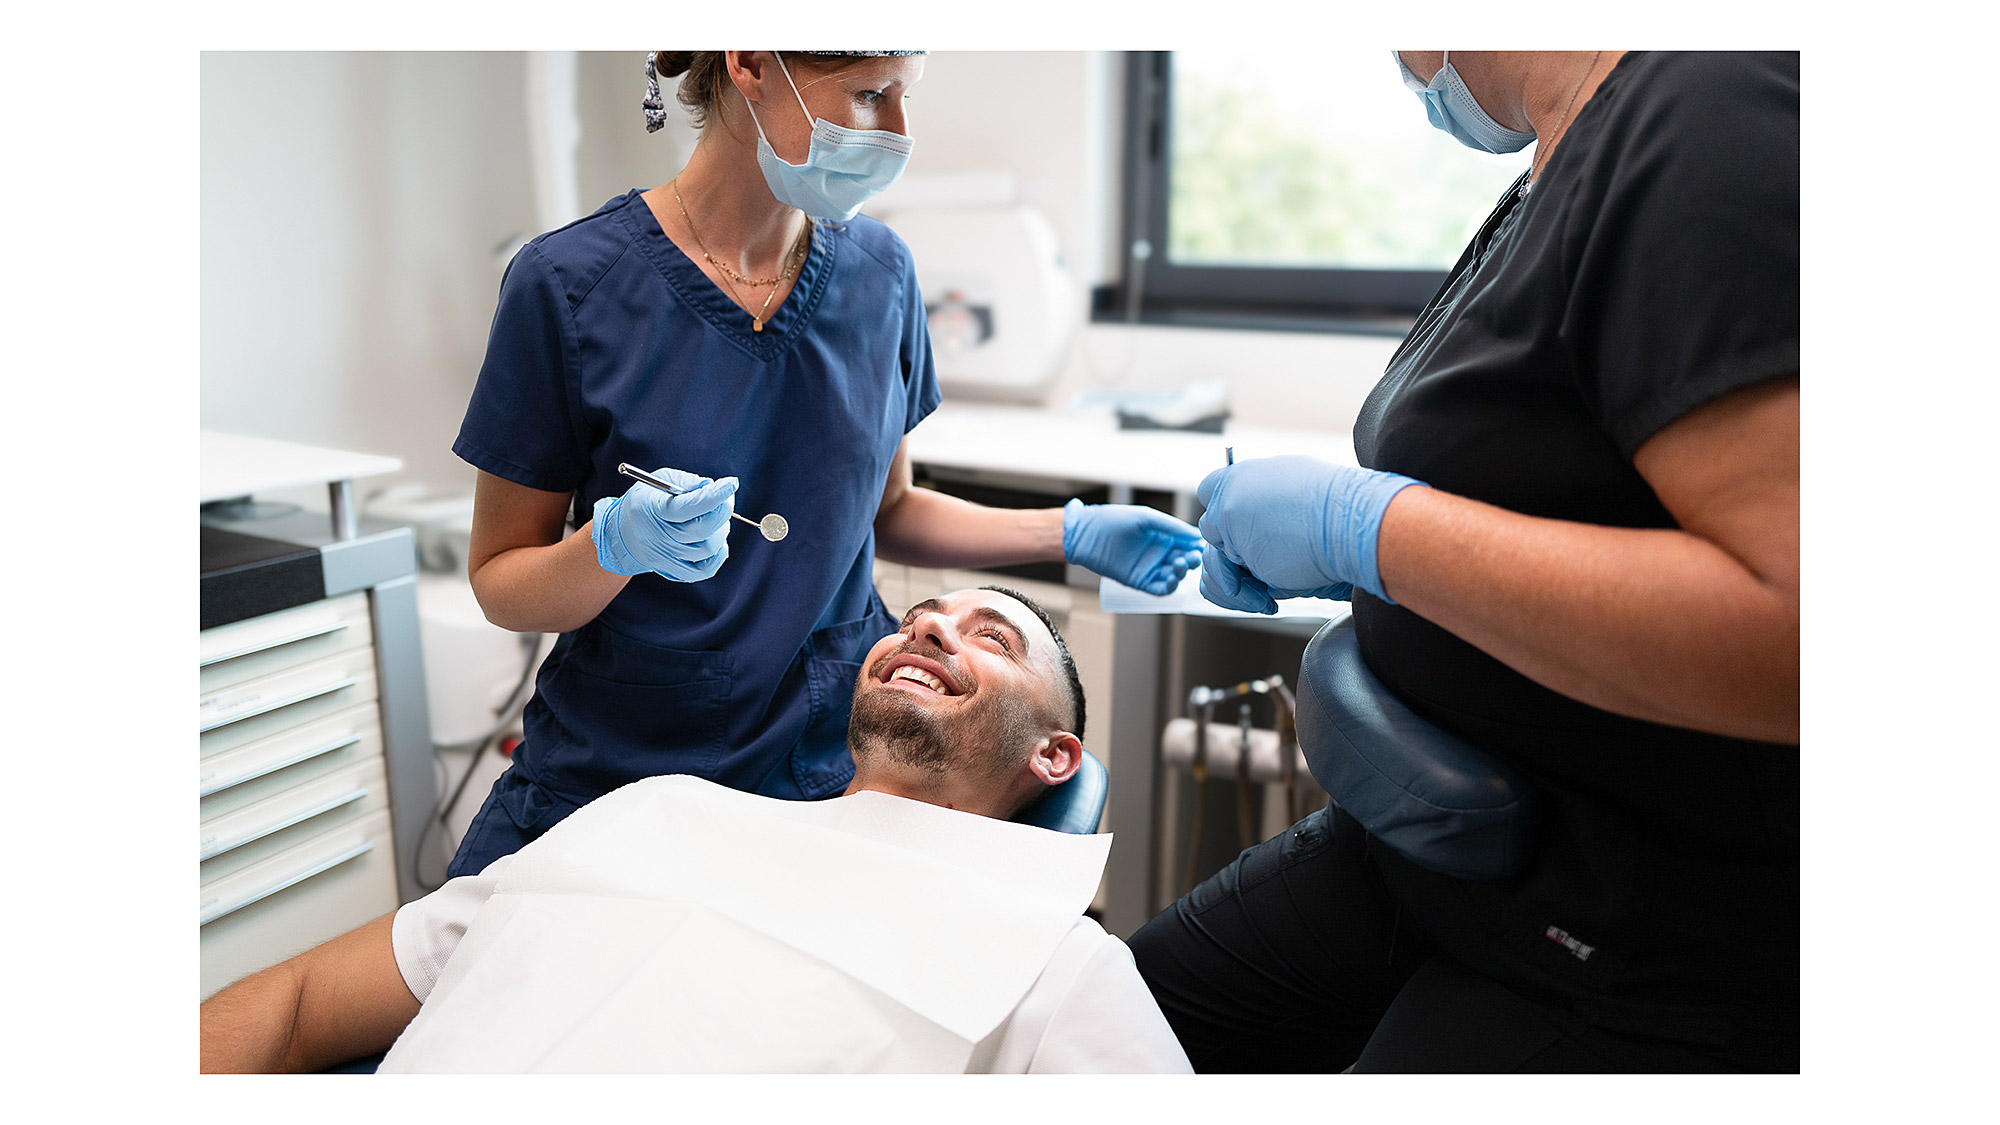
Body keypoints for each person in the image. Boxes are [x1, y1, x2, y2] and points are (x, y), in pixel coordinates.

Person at [1129, 51, 1799, 1072]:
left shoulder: (1704, 119)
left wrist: (1369, 531)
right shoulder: (1558, 154)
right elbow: (1559, 483)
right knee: (1112, 1023)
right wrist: (1358, 558)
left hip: (1617, 933)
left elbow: (1793, 628)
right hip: (1426, 861)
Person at [448, 51, 1200, 879]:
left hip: (824, 777)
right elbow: (500, 581)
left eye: (905, 96)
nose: (900, 132)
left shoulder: (881, 276)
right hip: (619, 773)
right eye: (871, 96)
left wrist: (1072, 531)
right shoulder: (567, 286)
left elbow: (891, 510)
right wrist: (610, 549)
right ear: (750, 64)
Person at [200, 587, 1193, 1074]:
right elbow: (296, 1005)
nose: (927, 627)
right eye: (922, 614)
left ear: (1052, 757)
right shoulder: (655, 813)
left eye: (991, 637)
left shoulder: (1053, 964)